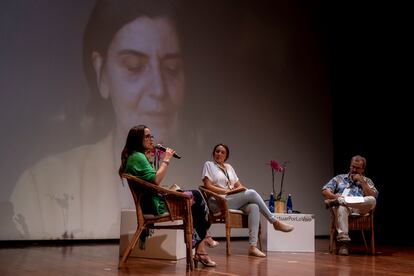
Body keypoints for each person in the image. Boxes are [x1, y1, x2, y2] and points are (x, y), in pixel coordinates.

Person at [9, 0, 185, 240]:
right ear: (102, 72)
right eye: (134, 67)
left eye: (172, 68)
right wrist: (165, 162)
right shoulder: (41, 186)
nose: (159, 89)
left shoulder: (194, 170)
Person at [119, 125, 216, 267]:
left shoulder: (136, 156)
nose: (151, 139)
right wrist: (166, 159)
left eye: (151, 136)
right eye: (147, 136)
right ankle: (203, 243)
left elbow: (152, 183)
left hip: (151, 201)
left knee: (194, 198)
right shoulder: (137, 157)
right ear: (137, 139)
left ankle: (202, 246)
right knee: (197, 197)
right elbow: (156, 180)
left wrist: (151, 161)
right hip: (154, 205)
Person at [202, 143, 294, 257]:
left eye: (222, 152)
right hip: (218, 201)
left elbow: (239, 185)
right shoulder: (209, 165)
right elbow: (207, 185)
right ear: (213, 153)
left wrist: (240, 191)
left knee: (254, 207)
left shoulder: (229, 167)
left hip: (231, 199)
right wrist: (224, 191)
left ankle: (252, 247)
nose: (219, 154)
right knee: (252, 193)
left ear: (226, 156)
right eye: (217, 151)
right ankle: (274, 221)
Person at [322, 155, 378, 256]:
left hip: (360, 208)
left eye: (357, 168)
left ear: (363, 169)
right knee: (342, 207)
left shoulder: (367, 181)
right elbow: (325, 191)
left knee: (372, 200)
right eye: (353, 167)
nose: (354, 170)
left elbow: (373, 195)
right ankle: (344, 244)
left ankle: (339, 201)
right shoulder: (339, 178)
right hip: (344, 208)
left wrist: (361, 181)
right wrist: (334, 195)